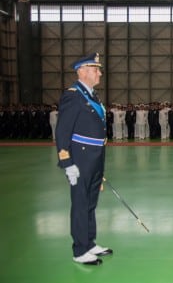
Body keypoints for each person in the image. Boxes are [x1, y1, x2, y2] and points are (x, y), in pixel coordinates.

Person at [55, 53, 112, 265]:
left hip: (95, 158)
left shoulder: (91, 96)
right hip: (80, 159)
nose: (100, 73)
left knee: (90, 202)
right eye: (95, 68)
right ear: (82, 71)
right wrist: (67, 162)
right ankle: (79, 250)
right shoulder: (73, 96)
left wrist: (101, 166)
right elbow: (62, 132)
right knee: (80, 203)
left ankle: (89, 242)